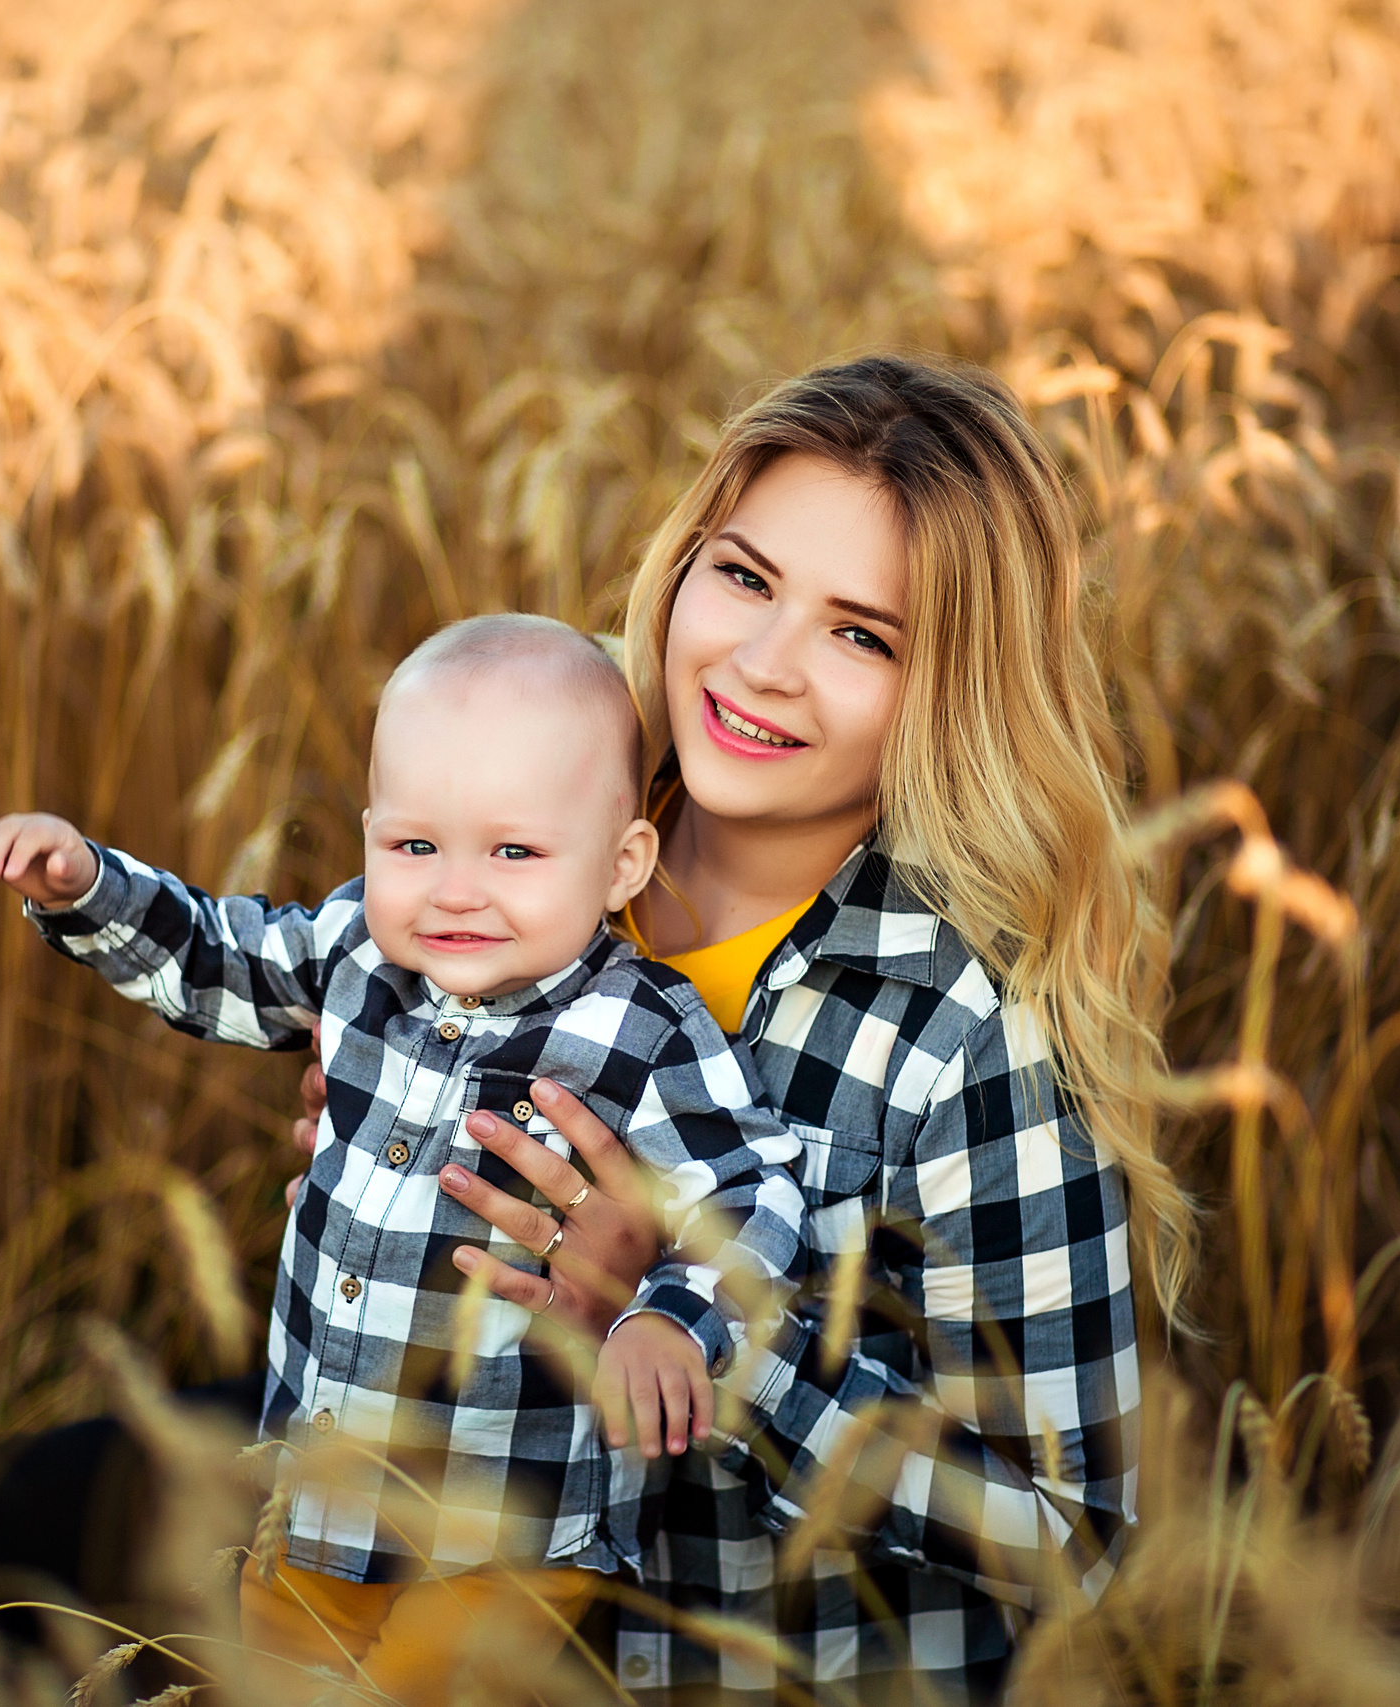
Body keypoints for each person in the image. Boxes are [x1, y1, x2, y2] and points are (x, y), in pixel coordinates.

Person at [291, 356, 1193, 1706]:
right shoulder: (527, 835)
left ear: (949, 685)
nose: (764, 664)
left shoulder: (957, 1044)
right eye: (748, 577)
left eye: (863, 634)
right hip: (404, 1608)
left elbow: (1074, 1538)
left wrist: (711, 1334)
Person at [0, 615, 810, 1706]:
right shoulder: (359, 948)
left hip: (504, 1525)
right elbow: (220, 958)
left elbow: (746, 1195)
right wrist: (84, 887)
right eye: (414, 846)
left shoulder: (640, 1032)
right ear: (369, 837)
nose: (454, 889)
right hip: (317, 1505)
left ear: (620, 864)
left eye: (512, 851)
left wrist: (663, 1319)